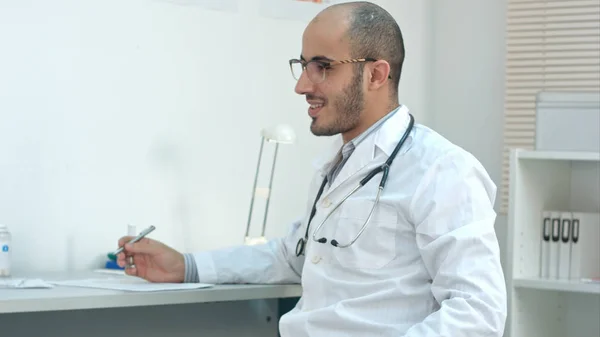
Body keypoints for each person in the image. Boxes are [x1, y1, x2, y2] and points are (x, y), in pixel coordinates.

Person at [117, 2, 507, 336]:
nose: (302, 85)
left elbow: (478, 313)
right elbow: (295, 256)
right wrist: (187, 266)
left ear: (376, 74)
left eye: (323, 67)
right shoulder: (336, 166)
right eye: (303, 66)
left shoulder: (442, 170)